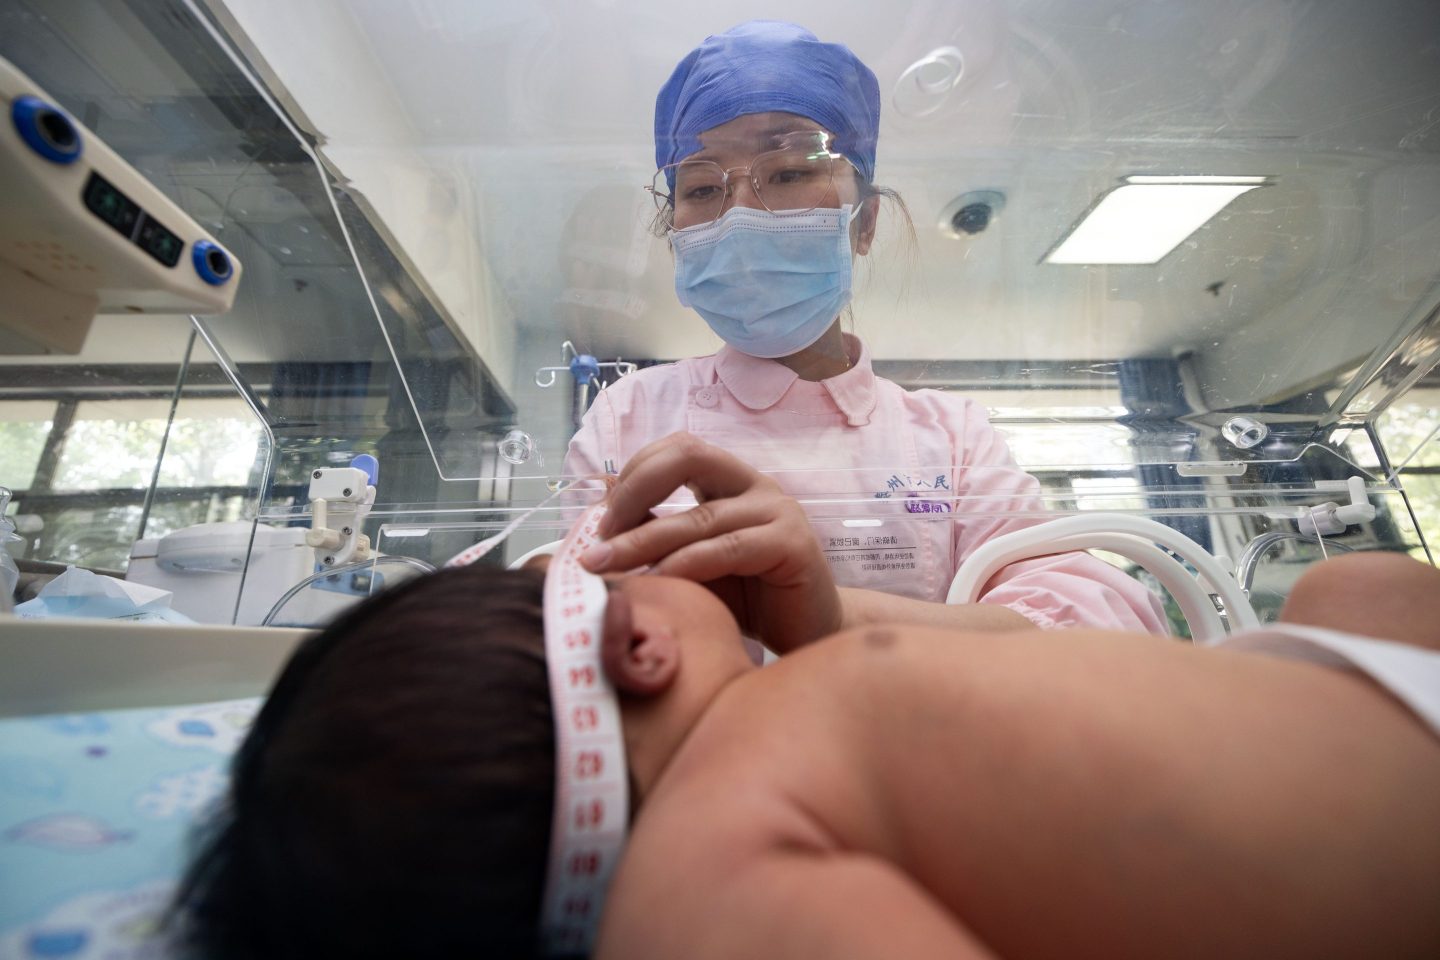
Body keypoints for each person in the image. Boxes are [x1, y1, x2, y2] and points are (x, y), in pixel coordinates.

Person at [172, 434, 1440, 960]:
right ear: (637, 646)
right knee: (1365, 591)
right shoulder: (707, 870)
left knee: (1349, 594)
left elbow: (1048, 647)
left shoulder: (753, 776)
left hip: (1322, 724)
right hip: (1384, 822)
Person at [562, 20, 1167, 635]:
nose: (740, 214)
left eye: (790, 172)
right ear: (678, 235)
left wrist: (828, 614)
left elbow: (1105, 626)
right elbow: (579, 628)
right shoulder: (628, 417)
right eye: (700, 186)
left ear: (866, 222)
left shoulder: (950, 439)